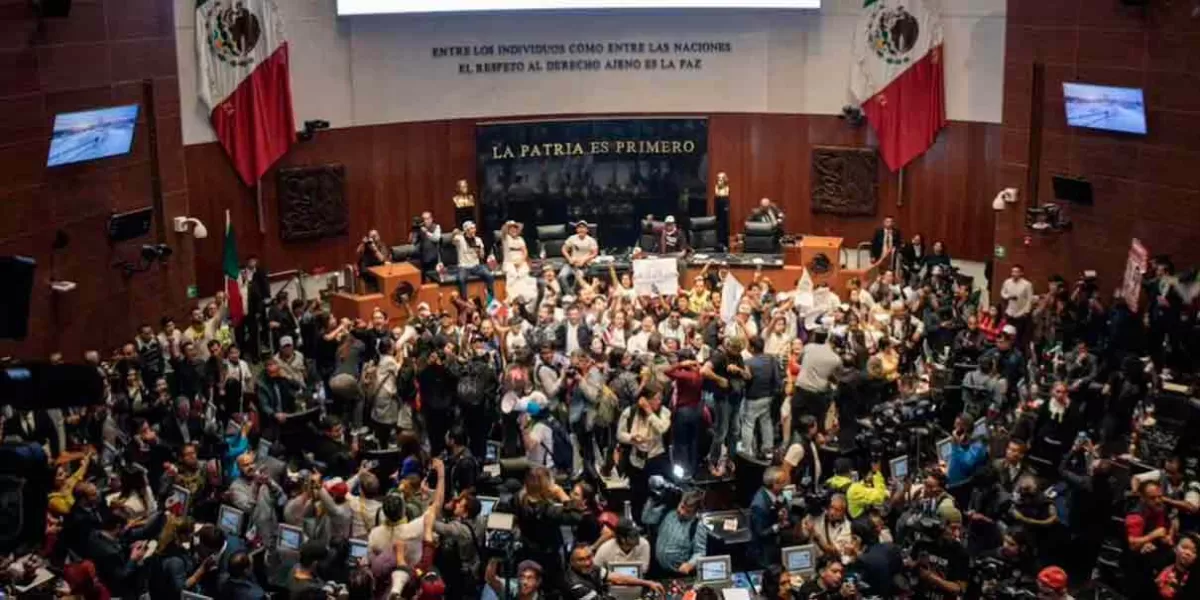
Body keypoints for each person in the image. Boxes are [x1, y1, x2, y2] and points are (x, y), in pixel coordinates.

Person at [563, 543, 664, 600]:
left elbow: (618, 578)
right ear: (571, 562)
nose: (587, 562)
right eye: (581, 559)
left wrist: (648, 583)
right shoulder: (575, 586)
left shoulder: (592, 568)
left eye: (589, 557)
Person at [749, 466, 791, 568]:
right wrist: (778, 526)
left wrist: (784, 510)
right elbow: (760, 532)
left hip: (776, 544)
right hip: (763, 551)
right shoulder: (759, 505)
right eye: (783, 482)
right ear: (774, 484)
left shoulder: (778, 493)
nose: (786, 484)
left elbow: (783, 502)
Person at [448, 221, 495, 300]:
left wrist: (479, 251)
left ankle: (491, 300)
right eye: (471, 229)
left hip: (476, 266)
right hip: (464, 266)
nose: (474, 230)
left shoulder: (478, 240)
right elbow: (452, 240)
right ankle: (465, 302)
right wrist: (454, 233)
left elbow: (482, 256)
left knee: (489, 276)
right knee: (461, 279)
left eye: (474, 228)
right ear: (466, 230)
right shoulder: (460, 239)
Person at [559, 221, 599, 296]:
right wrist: (569, 258)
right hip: (572, 264)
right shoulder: (572, 238)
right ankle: (570, 294)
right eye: (579, 228)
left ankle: (575, 294)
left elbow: (595, 253)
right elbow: (563, 249)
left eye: (583, 228)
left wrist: (584, 260)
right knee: (561, 276)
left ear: (587, 230)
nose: (581, 229)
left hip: (583, 266)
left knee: (579, 278)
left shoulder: (591, 240)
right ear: (576, 230)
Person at [412, 211, 443, 282]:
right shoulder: (420, 229)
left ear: (431, 219)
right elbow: (413, 242)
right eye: (424, 219)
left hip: (434, 259)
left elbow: (436, 238)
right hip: (423, 258)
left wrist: (426, 232)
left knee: (434, 279)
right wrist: (414, 231)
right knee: (423, 280)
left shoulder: (436, 227)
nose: (425, 221)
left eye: (427, 219)